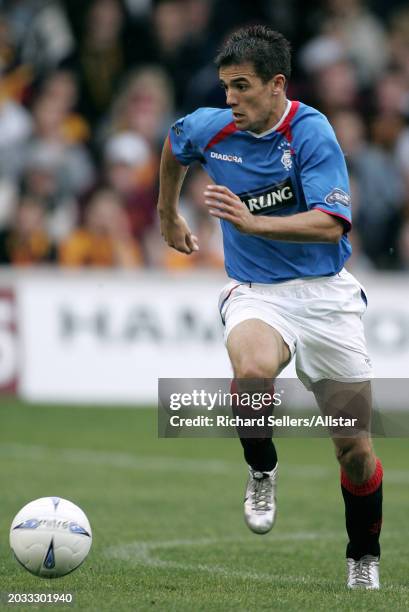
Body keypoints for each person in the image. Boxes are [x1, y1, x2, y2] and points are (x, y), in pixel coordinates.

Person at [157, 25, 382, 590]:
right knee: (253, 372)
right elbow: (173, 143)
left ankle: (363, 557)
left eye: (241, 86)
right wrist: (168, 216)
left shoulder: (311, 132)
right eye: (224, 86)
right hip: (256, 292)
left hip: (326, 296)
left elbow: (331, 224)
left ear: (276, 84)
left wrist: (255, 222)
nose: (228, 98)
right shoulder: (213, 128)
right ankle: (262, 468)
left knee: (354, 450)